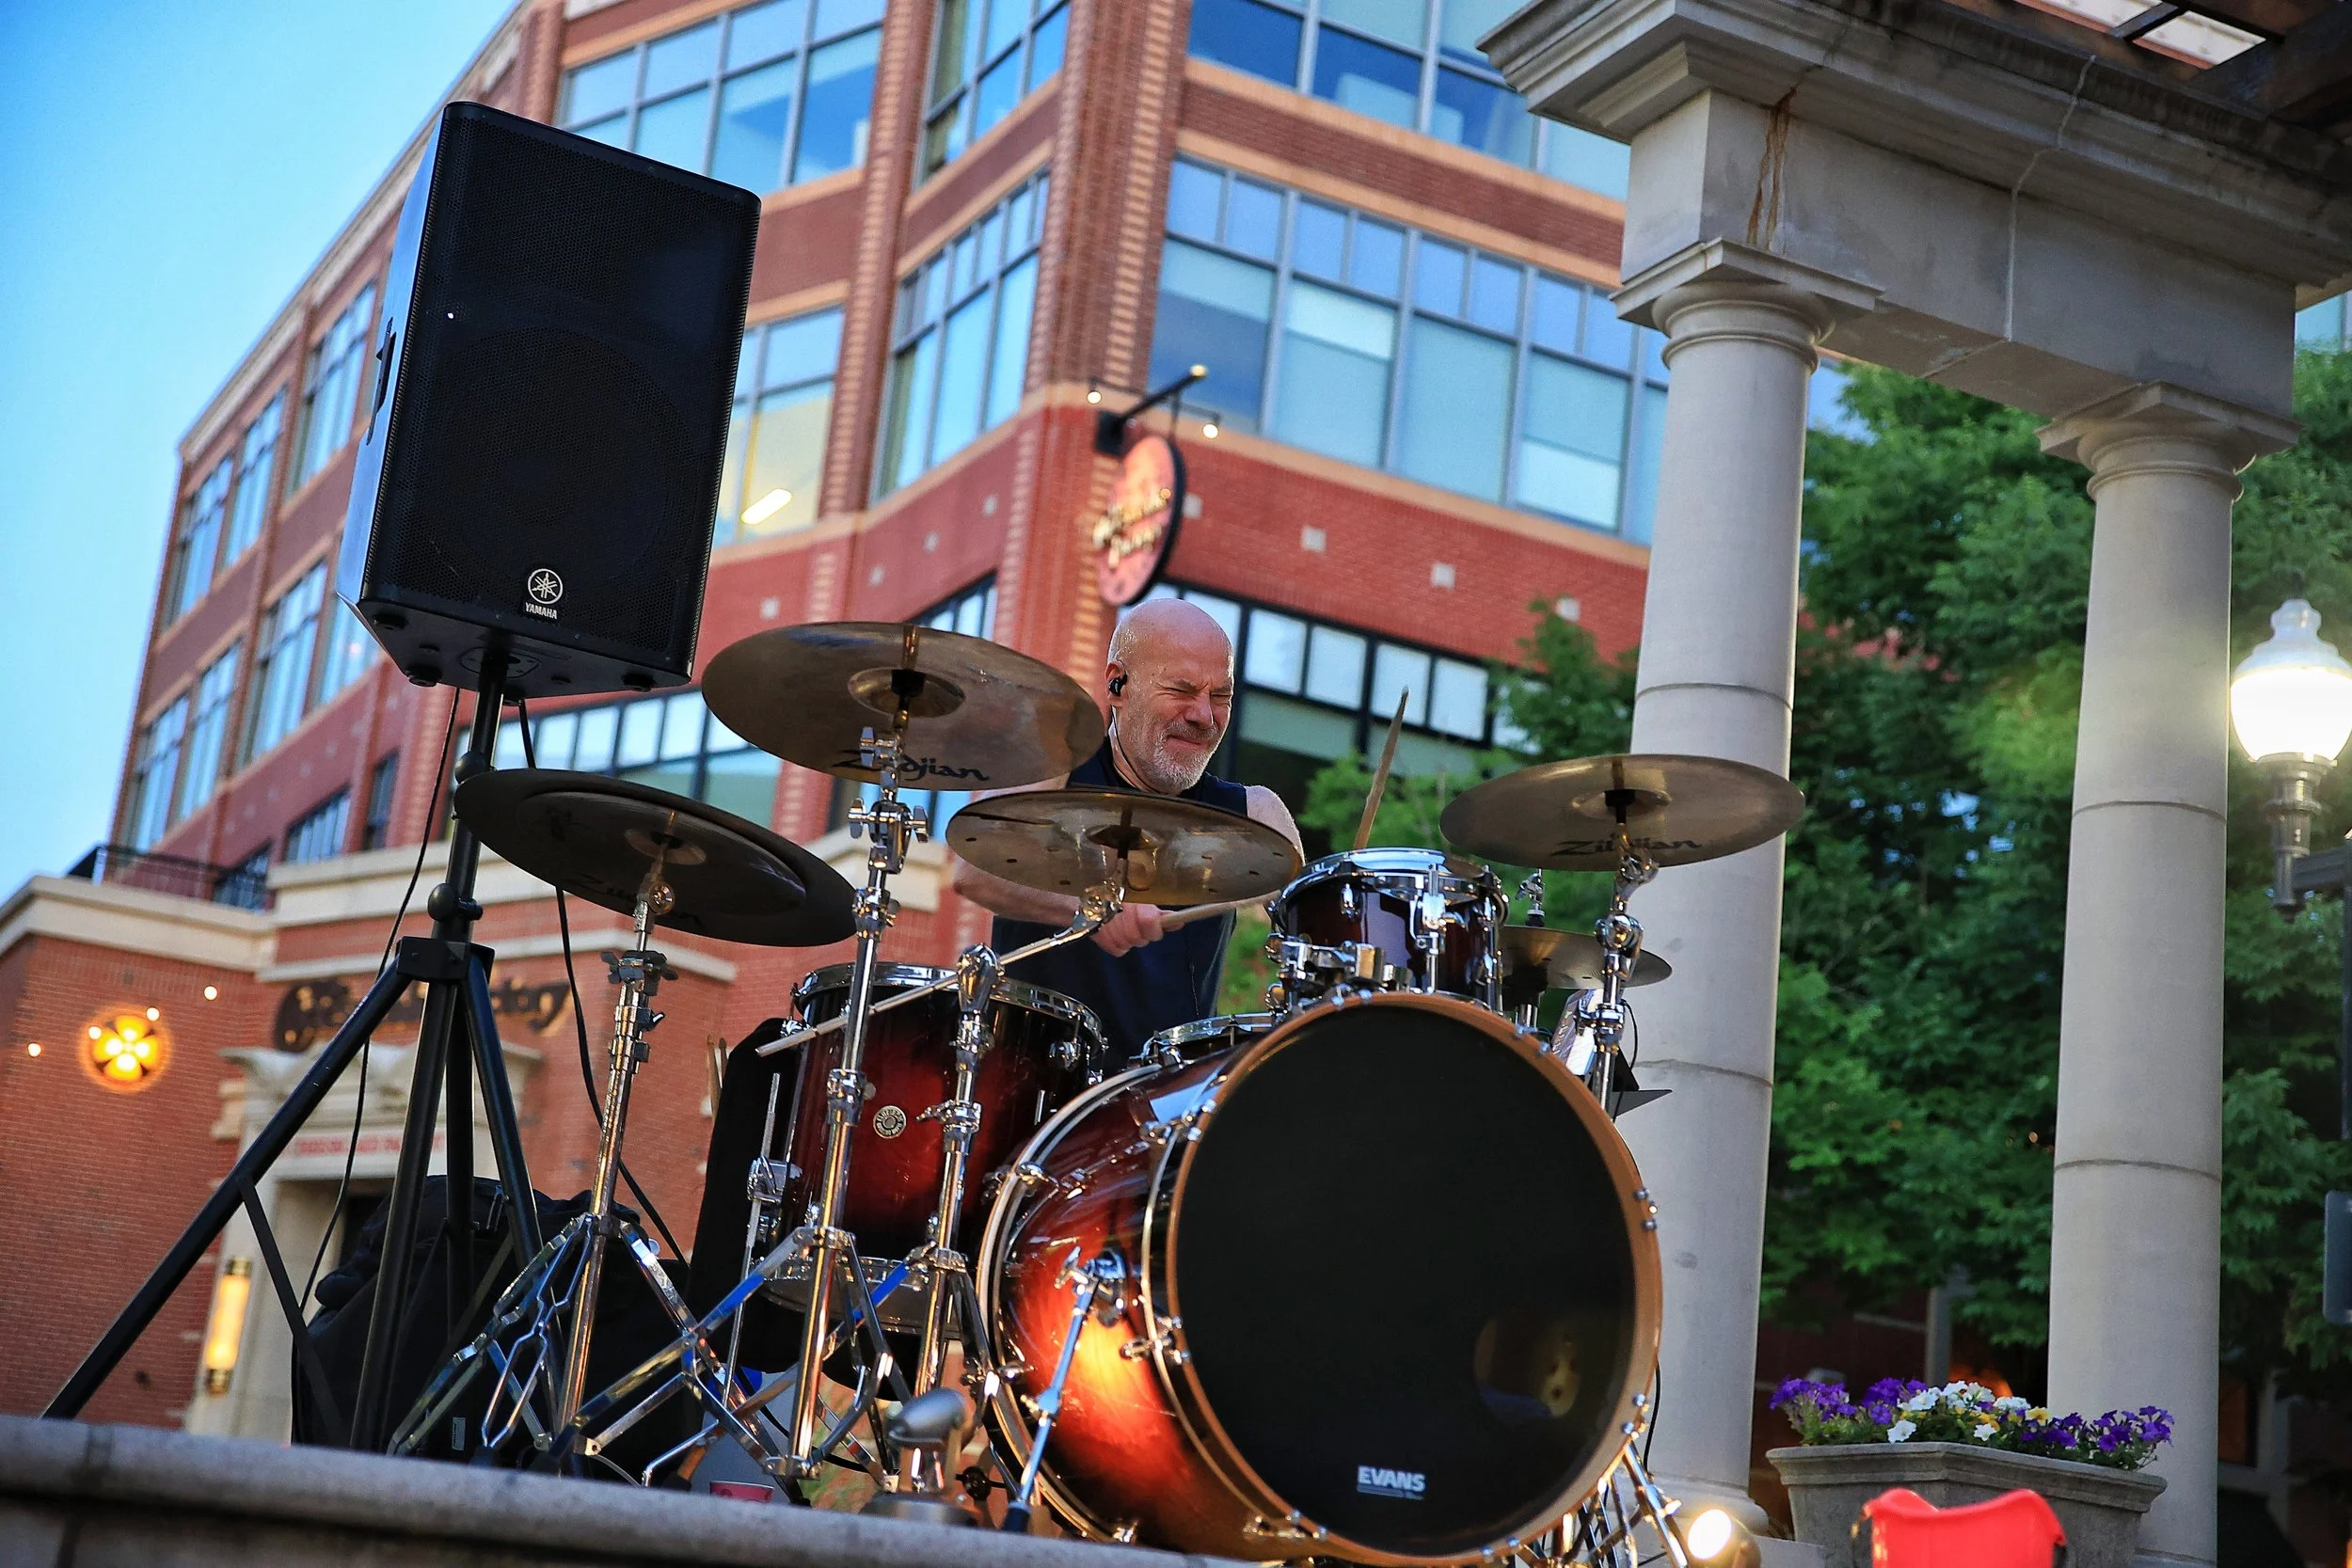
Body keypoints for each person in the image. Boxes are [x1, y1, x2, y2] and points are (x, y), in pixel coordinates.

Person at [949, 598, 1302, 1065]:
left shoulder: (1253, 813)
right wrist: (1092, 907)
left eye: (1221, 696)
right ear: (1118, 684)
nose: (1204, 715)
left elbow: (1319, 932)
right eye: (1181, 689)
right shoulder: (1057, 767)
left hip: (1173, 1101)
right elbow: (973, 872)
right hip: (1036, 1083)